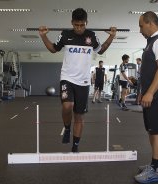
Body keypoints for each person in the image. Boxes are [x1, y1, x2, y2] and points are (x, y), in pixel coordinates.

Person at [39, 8, 117, 152]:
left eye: (82, 25)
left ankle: (75, 145)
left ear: (86, 23)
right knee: (67, 106)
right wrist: (43, 36)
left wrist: (111, 36)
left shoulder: (91, 36)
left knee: (79, 116)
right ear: (72, 23)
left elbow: (101, 50)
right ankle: (67, 128)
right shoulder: (65, 34)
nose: (79, 28)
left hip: (83, 81)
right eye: (76, 25)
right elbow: (53, 49)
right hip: (67, 78)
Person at [134, 11, 158, 183]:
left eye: (141, 26)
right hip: (151, 94)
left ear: (150, 23)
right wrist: (144, 91)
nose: (140, 30)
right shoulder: (151, 43)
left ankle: (155, 169)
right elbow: (149, 71)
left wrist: (150, 92)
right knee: (152, 130)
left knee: (157, 132)